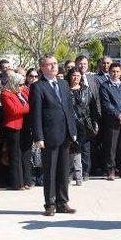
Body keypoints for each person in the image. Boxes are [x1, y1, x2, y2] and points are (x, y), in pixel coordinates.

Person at [30, 55, 77, 216]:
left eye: (55, 64)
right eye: (49, 65)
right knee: (50, 171)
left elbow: (69, 109)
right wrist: (38, 137)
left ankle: (62, 202)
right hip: (49, 135)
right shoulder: (38, 87)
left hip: (65, 134)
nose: (53, 67)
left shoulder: (63, 84)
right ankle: (50, 203)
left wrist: (73, 131)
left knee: (64, 169)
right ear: (42, 67)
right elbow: (35, 114)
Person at [100, 62, 121, 180]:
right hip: (112, 122)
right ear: (109, 72)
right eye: (113, 71)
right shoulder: (105, 86)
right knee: (111, 147)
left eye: (118, 71)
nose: (115, 74)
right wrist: (119, 115)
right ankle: (111, 170)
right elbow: (106, 104)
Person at [0, 72, 32, 189]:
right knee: (15, 155)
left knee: (25, 154)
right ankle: (17, 183)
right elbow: (14, 110)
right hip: (13, 126)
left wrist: (25, 107)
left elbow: (30, 102)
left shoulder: (23, 92)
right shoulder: (6, 94)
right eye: (19, 84)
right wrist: (28, 107)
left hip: (24, 126)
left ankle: (26, 180)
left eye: (23, 84)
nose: (21, 86)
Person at [67, 67, 97, 185]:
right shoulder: (65, 90)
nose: (76, 78)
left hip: (85, 123)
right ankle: (69, 175)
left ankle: (83, 174)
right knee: (71, 149)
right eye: (73, 75)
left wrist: (94, 122)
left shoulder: (86, 90)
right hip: (70, 123)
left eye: (78, 76)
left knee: (84, 150)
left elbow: (93, 107)